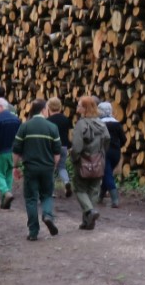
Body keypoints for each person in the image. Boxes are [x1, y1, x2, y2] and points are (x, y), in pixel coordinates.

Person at [13, 98, 62, 240]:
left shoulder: (25, 127)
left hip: (30, 168)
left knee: (31, 199)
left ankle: (33, 231)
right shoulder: (52, 127)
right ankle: (47, 214)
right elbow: (57, 154)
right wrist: (53, 167)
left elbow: (16, 150)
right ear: (43, 110)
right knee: (47, 195)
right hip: (47, 168)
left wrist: (15, 166)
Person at [68, 95, 110, 230]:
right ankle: (88, 222)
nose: (77, 107)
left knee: (80, 189)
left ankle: (90, 212)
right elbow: (107, 139)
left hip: (83, 162)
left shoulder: (81, 124)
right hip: (98, 161)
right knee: (93, 190)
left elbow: (77, 146)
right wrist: (101, 154)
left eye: (79, 105)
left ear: (85, 108)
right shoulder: (101, 123)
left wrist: (74, 158)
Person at [97, 101, 125, 208]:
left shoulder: (98, 123)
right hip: (116, 153)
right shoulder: (117, 124)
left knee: (107, 174)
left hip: (104, 152)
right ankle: (100, 197)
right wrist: (117, 147)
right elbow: (123, 139)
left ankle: (115, 200)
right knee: (107, 172)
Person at [46, 97, 75, 198]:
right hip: (63, 146)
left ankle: (50, 191)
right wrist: (69, 146)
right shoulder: (66, 119)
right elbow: (70, 134)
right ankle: (66, 181)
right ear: (60, 107)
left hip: (51, 147)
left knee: (50, 168)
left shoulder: (48, 121)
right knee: (62, 167)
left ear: (49, 107)